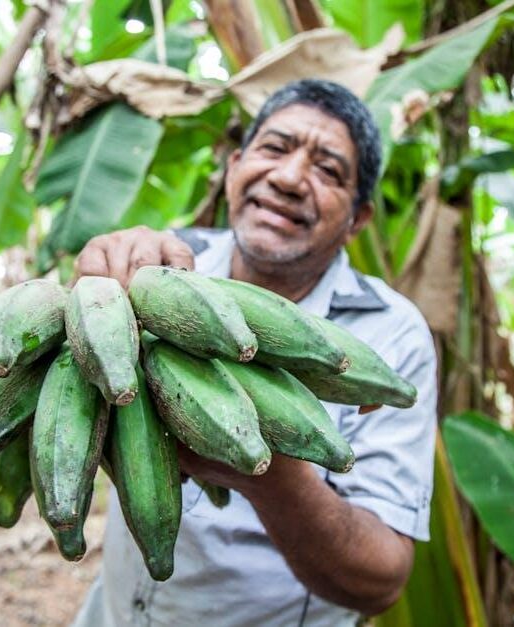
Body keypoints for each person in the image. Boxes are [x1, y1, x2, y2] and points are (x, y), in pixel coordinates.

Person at [71, 79, 437, 626]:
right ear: (235, 166)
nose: (289, 178)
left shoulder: (389, 335)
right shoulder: (166, 265)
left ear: (358, 220)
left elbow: (381, 579)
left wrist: (265, 474)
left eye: (328, 171)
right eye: (274, 148)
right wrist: (93, 298)